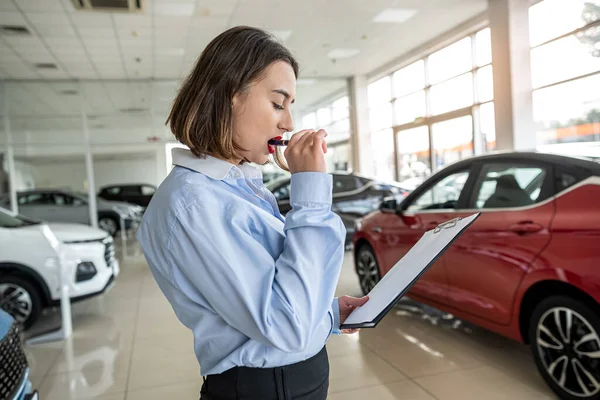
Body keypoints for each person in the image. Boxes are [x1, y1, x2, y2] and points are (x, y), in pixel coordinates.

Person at [136, 25, 369, 400]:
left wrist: (327, 313)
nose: (288, 123)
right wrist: (310, 196)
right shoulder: (194, 203)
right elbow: (286, 327)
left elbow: (277, 294)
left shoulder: (235, 186)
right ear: (230, 95)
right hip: (264, 388)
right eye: (278, 103)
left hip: (288, 380)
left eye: (290, 106)